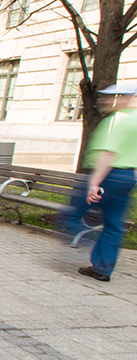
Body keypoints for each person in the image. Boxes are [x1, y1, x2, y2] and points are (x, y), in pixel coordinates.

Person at [64, 83, 137, 282]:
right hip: (128, 177)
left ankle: (82, 237)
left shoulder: (118, 120)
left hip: (109, 176)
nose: (105, 101)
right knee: (114, 225)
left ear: (123, 98)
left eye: (110, 97)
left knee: (72, 213)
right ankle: (102, 268)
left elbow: (108, 154)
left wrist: (95, 183)